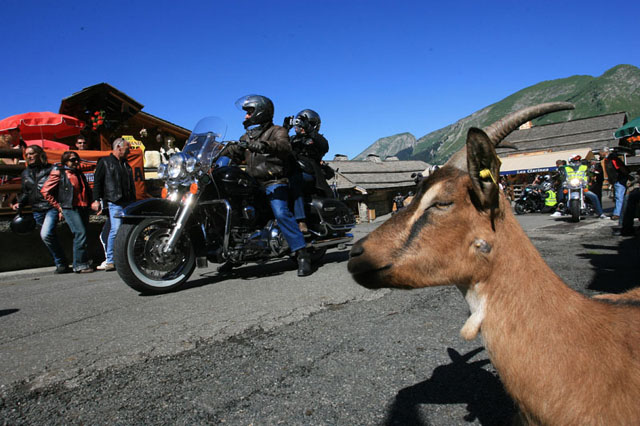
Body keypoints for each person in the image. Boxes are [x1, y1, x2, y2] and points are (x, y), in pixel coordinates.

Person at [222, 94, 312, 277]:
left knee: (280, 212)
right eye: (246, 113)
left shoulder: (277, 131)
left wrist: (264, 146)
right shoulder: (246, 136)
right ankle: (233, 255)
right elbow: (235, 149)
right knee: (234, 211)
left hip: (274, 181)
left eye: (250, 112)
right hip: (253, 183)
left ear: (261, 112)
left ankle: (302, 253)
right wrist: (217, 152)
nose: (246, 116)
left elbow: (284, 147)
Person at [11, 145, 70, 273]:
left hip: (51, 206)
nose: (29, 157)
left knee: (46, 234)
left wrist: (60, 207)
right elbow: (27, 192)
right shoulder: (25, 173)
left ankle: (60, 262)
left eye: (32, 154)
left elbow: (60, 188)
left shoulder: (51, 169)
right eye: (27, 155)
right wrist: (19, 203)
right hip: (36, 209)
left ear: (39, 154)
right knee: (50, 236)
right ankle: (62, 262)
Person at [41, 151, 94, 273]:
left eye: (77, 160)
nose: (76, 162)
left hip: (83, 207)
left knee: (84, 233)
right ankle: (80, 264)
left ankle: (83, 261)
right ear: (65, 162)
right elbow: (45, 191)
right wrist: (58, 206)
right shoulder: (60, 173)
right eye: (73, 160)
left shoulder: (78, 173)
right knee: (80, 233)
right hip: (70, 207)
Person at [91, 138, 136, 271]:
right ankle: (111, 260)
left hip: (126, 201)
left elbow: (131, 185)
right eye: (127, 149)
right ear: (119, 147)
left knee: (113, 229)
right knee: (116, 230)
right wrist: (96, 200)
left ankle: (117, 257)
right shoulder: (105, 162)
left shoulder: (126, 164)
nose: (129, 152)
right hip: (114, 200)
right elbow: (97, 182)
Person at [287, 109, 331, 233]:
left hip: (310, 173)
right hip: (293, 170)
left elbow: (324, 146)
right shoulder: (293, 139)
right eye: (298, 124)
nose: (298, 127)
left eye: (302, 123)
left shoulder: (316, 140)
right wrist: (285, 129)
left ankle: (301, 220)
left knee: (294, 180)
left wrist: (309, 130)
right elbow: (282, 146)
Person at [563, 154, 608, 219]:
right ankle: (560, 210)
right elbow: (563, 177)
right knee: (562, 195)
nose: (577, 162)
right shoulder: (566, 168)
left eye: (578, 161)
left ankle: (600, 213)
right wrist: (560, 174)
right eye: (575, 161)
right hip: (570, 187)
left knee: (594, 196)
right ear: (570, 161)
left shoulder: (584, 167)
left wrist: (593, 172)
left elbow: (590, 173)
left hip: (582, 186)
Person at [602, 147, 629, 221]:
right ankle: (621, 212)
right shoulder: (609, 159)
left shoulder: (613, 159)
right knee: (619, 196)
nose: (600, 153)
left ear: (605, 152)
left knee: (619, 196)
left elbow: (620, 168)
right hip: (616, 180)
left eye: (601, 152)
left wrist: (626, 176)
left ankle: (618, 213)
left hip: (619, 179)